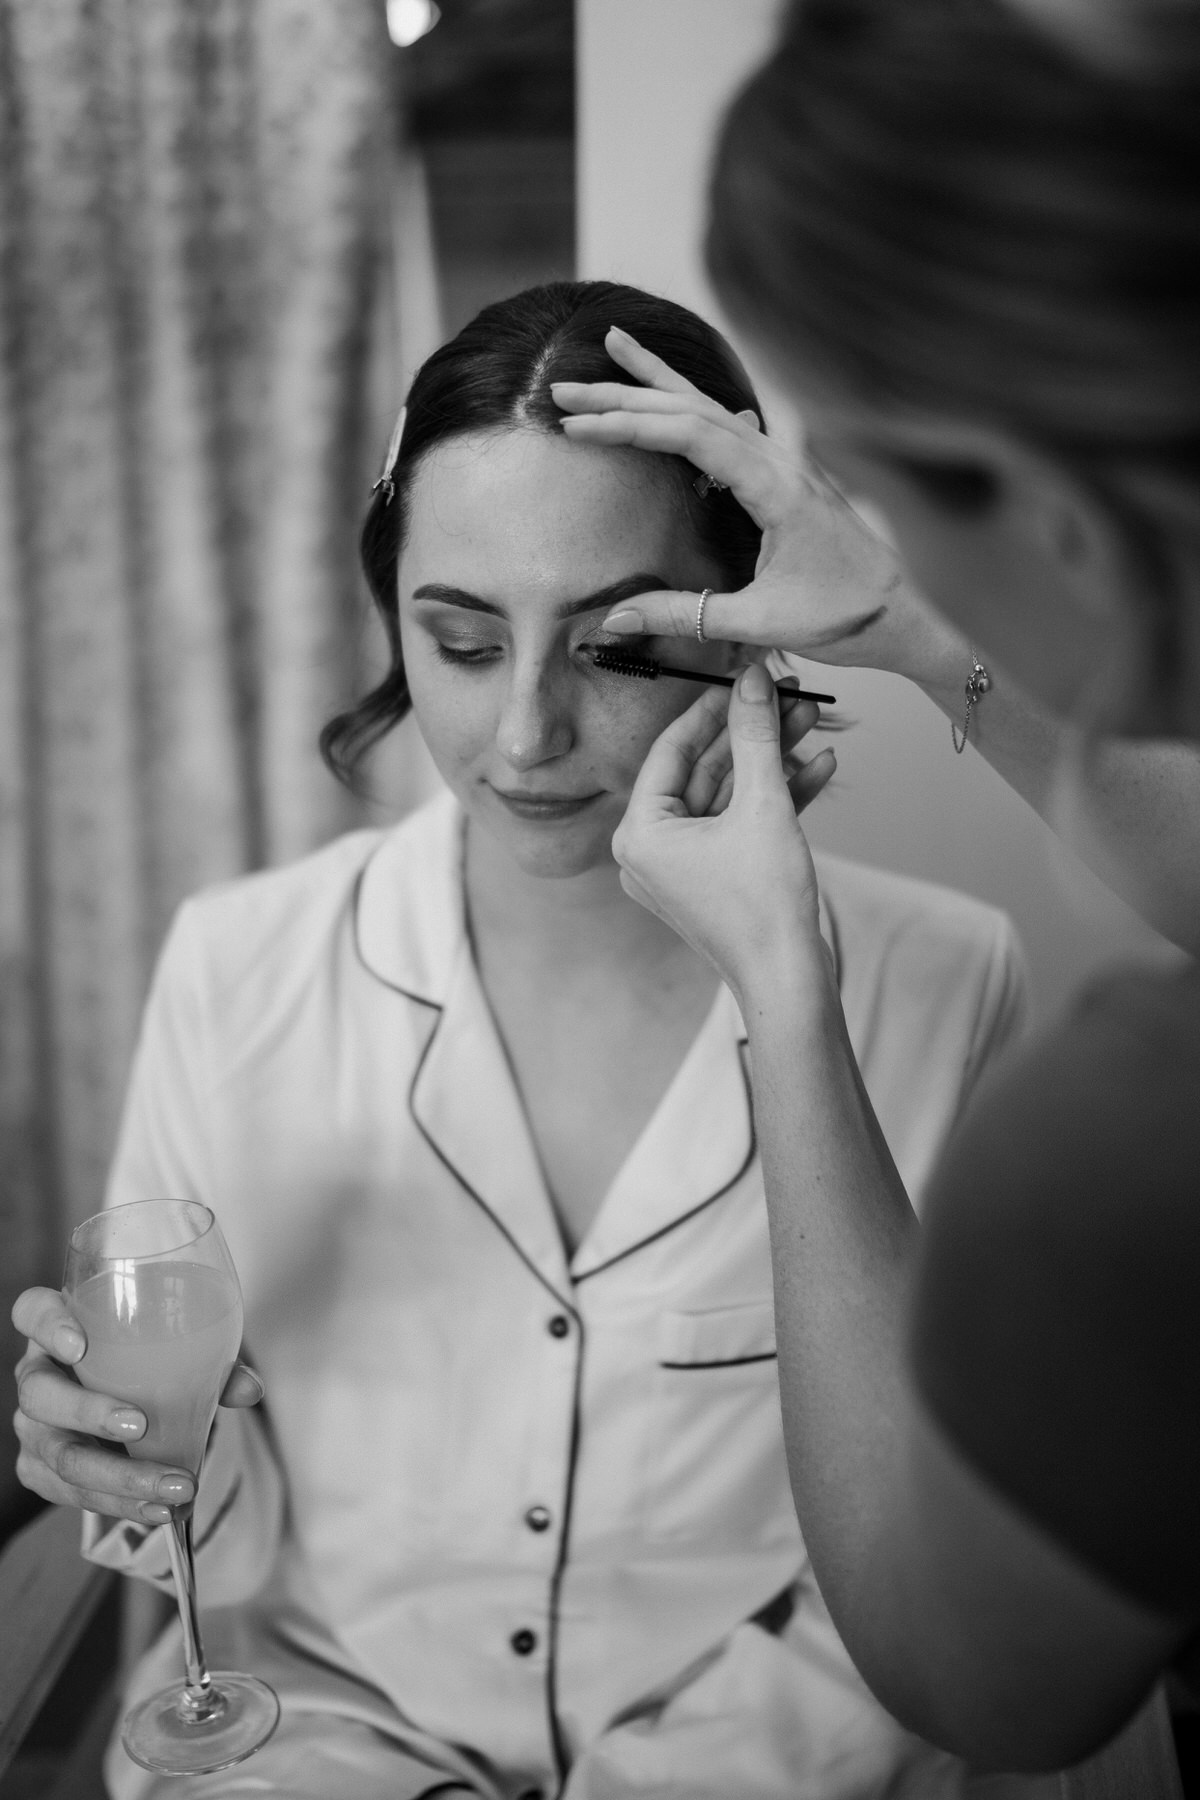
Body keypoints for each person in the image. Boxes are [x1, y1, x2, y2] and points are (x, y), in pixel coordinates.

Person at [11, 281, 1033, 1800]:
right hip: (314, 1746)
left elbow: (927, 1582)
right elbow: (216, 1510)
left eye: (617, 649)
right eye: (464, 642)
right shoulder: (240, 968)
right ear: (396, 627)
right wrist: (120, 1454)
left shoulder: (944, 987)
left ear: (751, 627)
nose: (525, 739)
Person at [550, 0, 1200, 1774]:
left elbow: (968, 1670)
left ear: (1058, 518)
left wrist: (781, 983)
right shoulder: (248, 960)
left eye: (871, 480)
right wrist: (910, 621)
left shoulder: (1125, 1148)